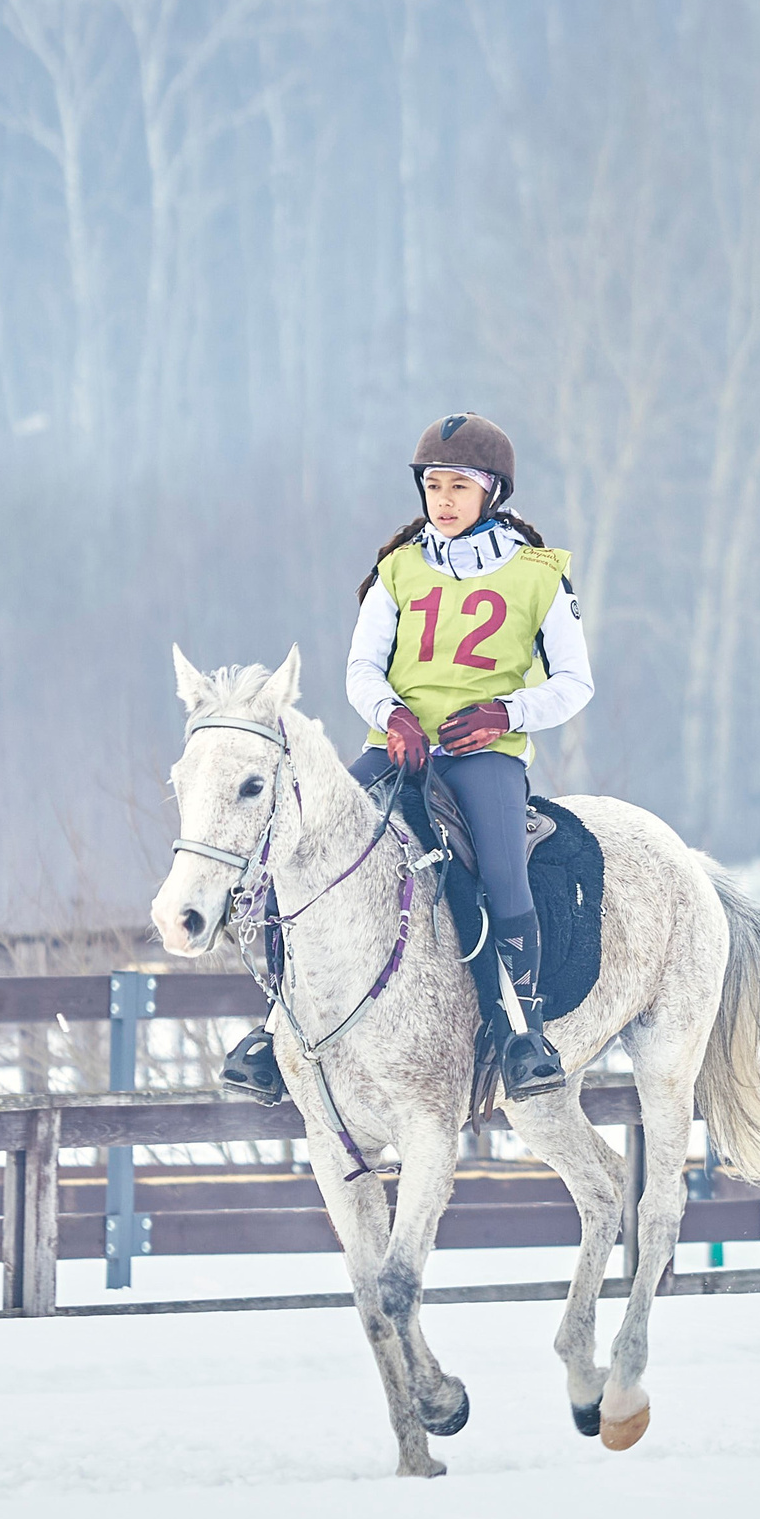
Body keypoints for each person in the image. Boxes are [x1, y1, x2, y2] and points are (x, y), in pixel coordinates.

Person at [221, 412, 593, 1102]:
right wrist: (391, 714)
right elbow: (361, 667)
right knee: (303, 850)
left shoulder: (542, 575)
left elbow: (576, 682)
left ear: (493, 493)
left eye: (458, 486)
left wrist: (504, 713)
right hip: (397, 748)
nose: (443, 500)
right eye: (433, 486)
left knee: (504, 876)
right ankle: (273, 1027)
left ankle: (521, 1031)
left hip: (483, 756)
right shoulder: (396, 569)